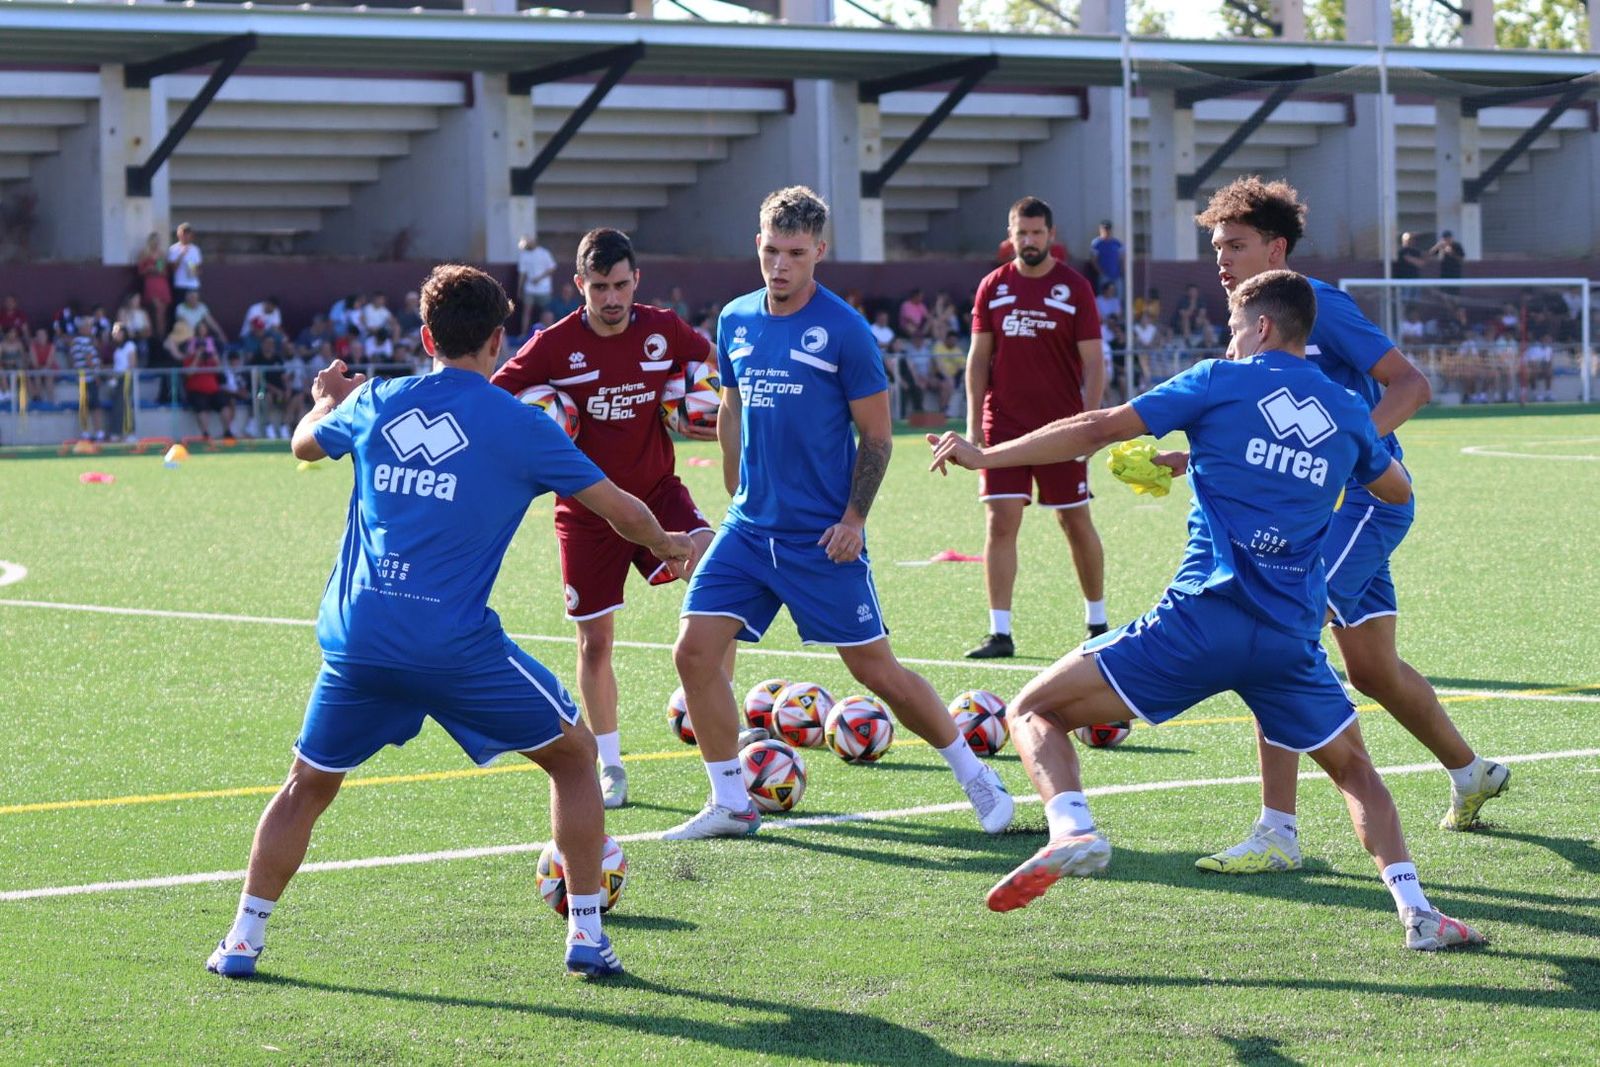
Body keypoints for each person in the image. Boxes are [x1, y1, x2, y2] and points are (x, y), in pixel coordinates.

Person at [928, 270, 1485, 951]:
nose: (1227, 336)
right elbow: (1394, 491)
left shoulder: (1220, 381)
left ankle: (1071, 826)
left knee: (1032, 711)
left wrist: (987, 452)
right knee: (1355, 770)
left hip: (1198, 620)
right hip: (1288, 636)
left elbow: (1096, 426)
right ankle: (1418, 912)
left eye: (1232, 324)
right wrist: (1304, 469)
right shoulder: (1343, 410)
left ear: (1262, 328)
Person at [204, 264, 694, 983]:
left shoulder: (374, 401)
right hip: (455, 647)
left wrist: (325, 401)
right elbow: (618, 506)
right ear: (499, 339)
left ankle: (240, 941)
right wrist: (671, 543)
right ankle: (587, 933)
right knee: (572, 755)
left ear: (426, 336)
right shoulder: (521, 425)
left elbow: (302, 446)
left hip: (360, 641)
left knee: (307, 783)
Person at [665, 185, 1014, 841]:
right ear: (757, 245)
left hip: (821, 538)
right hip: (748, 530)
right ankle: (731, 801)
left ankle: (976, 775)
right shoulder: (735, 319)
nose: (779, 265)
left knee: (876, 671)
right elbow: (733, 406)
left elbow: (878, 437)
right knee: (693, 652)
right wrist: (738, 487)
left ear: (819, 251)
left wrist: (854, 519)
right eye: (770, 249)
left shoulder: (846, 332)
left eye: (795, 252)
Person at [1194, 177, 1506, 874]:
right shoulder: (1253, 319)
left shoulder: (1319, 305)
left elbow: (1411, 384)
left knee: (1275, 633)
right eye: (1216, 247)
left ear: (1276, 247)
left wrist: (1341, 452)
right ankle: (1469, 770)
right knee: (1371, 668)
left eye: (1236, 245)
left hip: (1362, 503)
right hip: (1323, 514)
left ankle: (1278, 831)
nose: (1221, 259)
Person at [492, 228, 724, 810]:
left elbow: (713, 365)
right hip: (587, 511)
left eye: (621, 285)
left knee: (722, 580)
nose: (613, 298)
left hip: (657, 490)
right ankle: (611, 764)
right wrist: (537, 428)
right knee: (596, 642)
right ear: (580, 286)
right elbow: (495, 396)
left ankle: (719, 705)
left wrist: (701, 400)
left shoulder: (663, 327)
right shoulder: (552, 344)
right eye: (600, 287)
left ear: (636, 280)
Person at [962, 196, 1106, 660]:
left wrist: (1091, 423)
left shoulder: (1075, 288)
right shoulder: (993, 287)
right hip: (1003, 423)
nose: (1028, 241)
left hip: (1062, 426)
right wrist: (972, 427)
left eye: (1037, 233)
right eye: (1021, 233)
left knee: (1074, 520)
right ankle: (999, 632)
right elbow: (978, 358)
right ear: (1011, 234)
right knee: (1000, 520)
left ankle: (1097, 621)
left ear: (1051, 235)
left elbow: (1094, 362)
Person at [517, 233, 558, 337]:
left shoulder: (544, 253)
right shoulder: (524, 255)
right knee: (526, 312)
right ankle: (523, 334)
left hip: (544, 289)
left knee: (546, 311)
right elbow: (522, 274)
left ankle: (549, 332)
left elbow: (552, 267)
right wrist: (519, 289)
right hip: (529, 289)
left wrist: (540, 278)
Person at [168, 223, 203, 302]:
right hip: (180, 285)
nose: (185, 236)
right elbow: (172, 269)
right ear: (179, 234)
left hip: (193, 285)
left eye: (188, 233)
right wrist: (181, 255)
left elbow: (199, 268)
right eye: (183, 233)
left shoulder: (195, 249)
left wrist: (195, 272)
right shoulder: (173, 249)